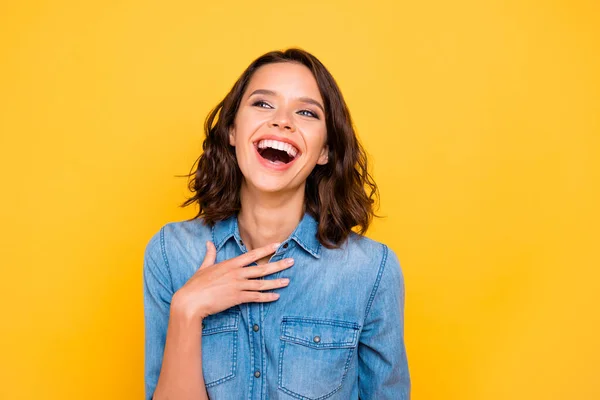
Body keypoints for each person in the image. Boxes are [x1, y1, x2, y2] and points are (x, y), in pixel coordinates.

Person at [143, 48, 410, 400]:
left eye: (306, 112)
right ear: (233, 130)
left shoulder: (371, 271)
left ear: (325, 151)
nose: (282, 121)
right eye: (263, 104)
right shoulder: (171, 252)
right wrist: (187, 310)